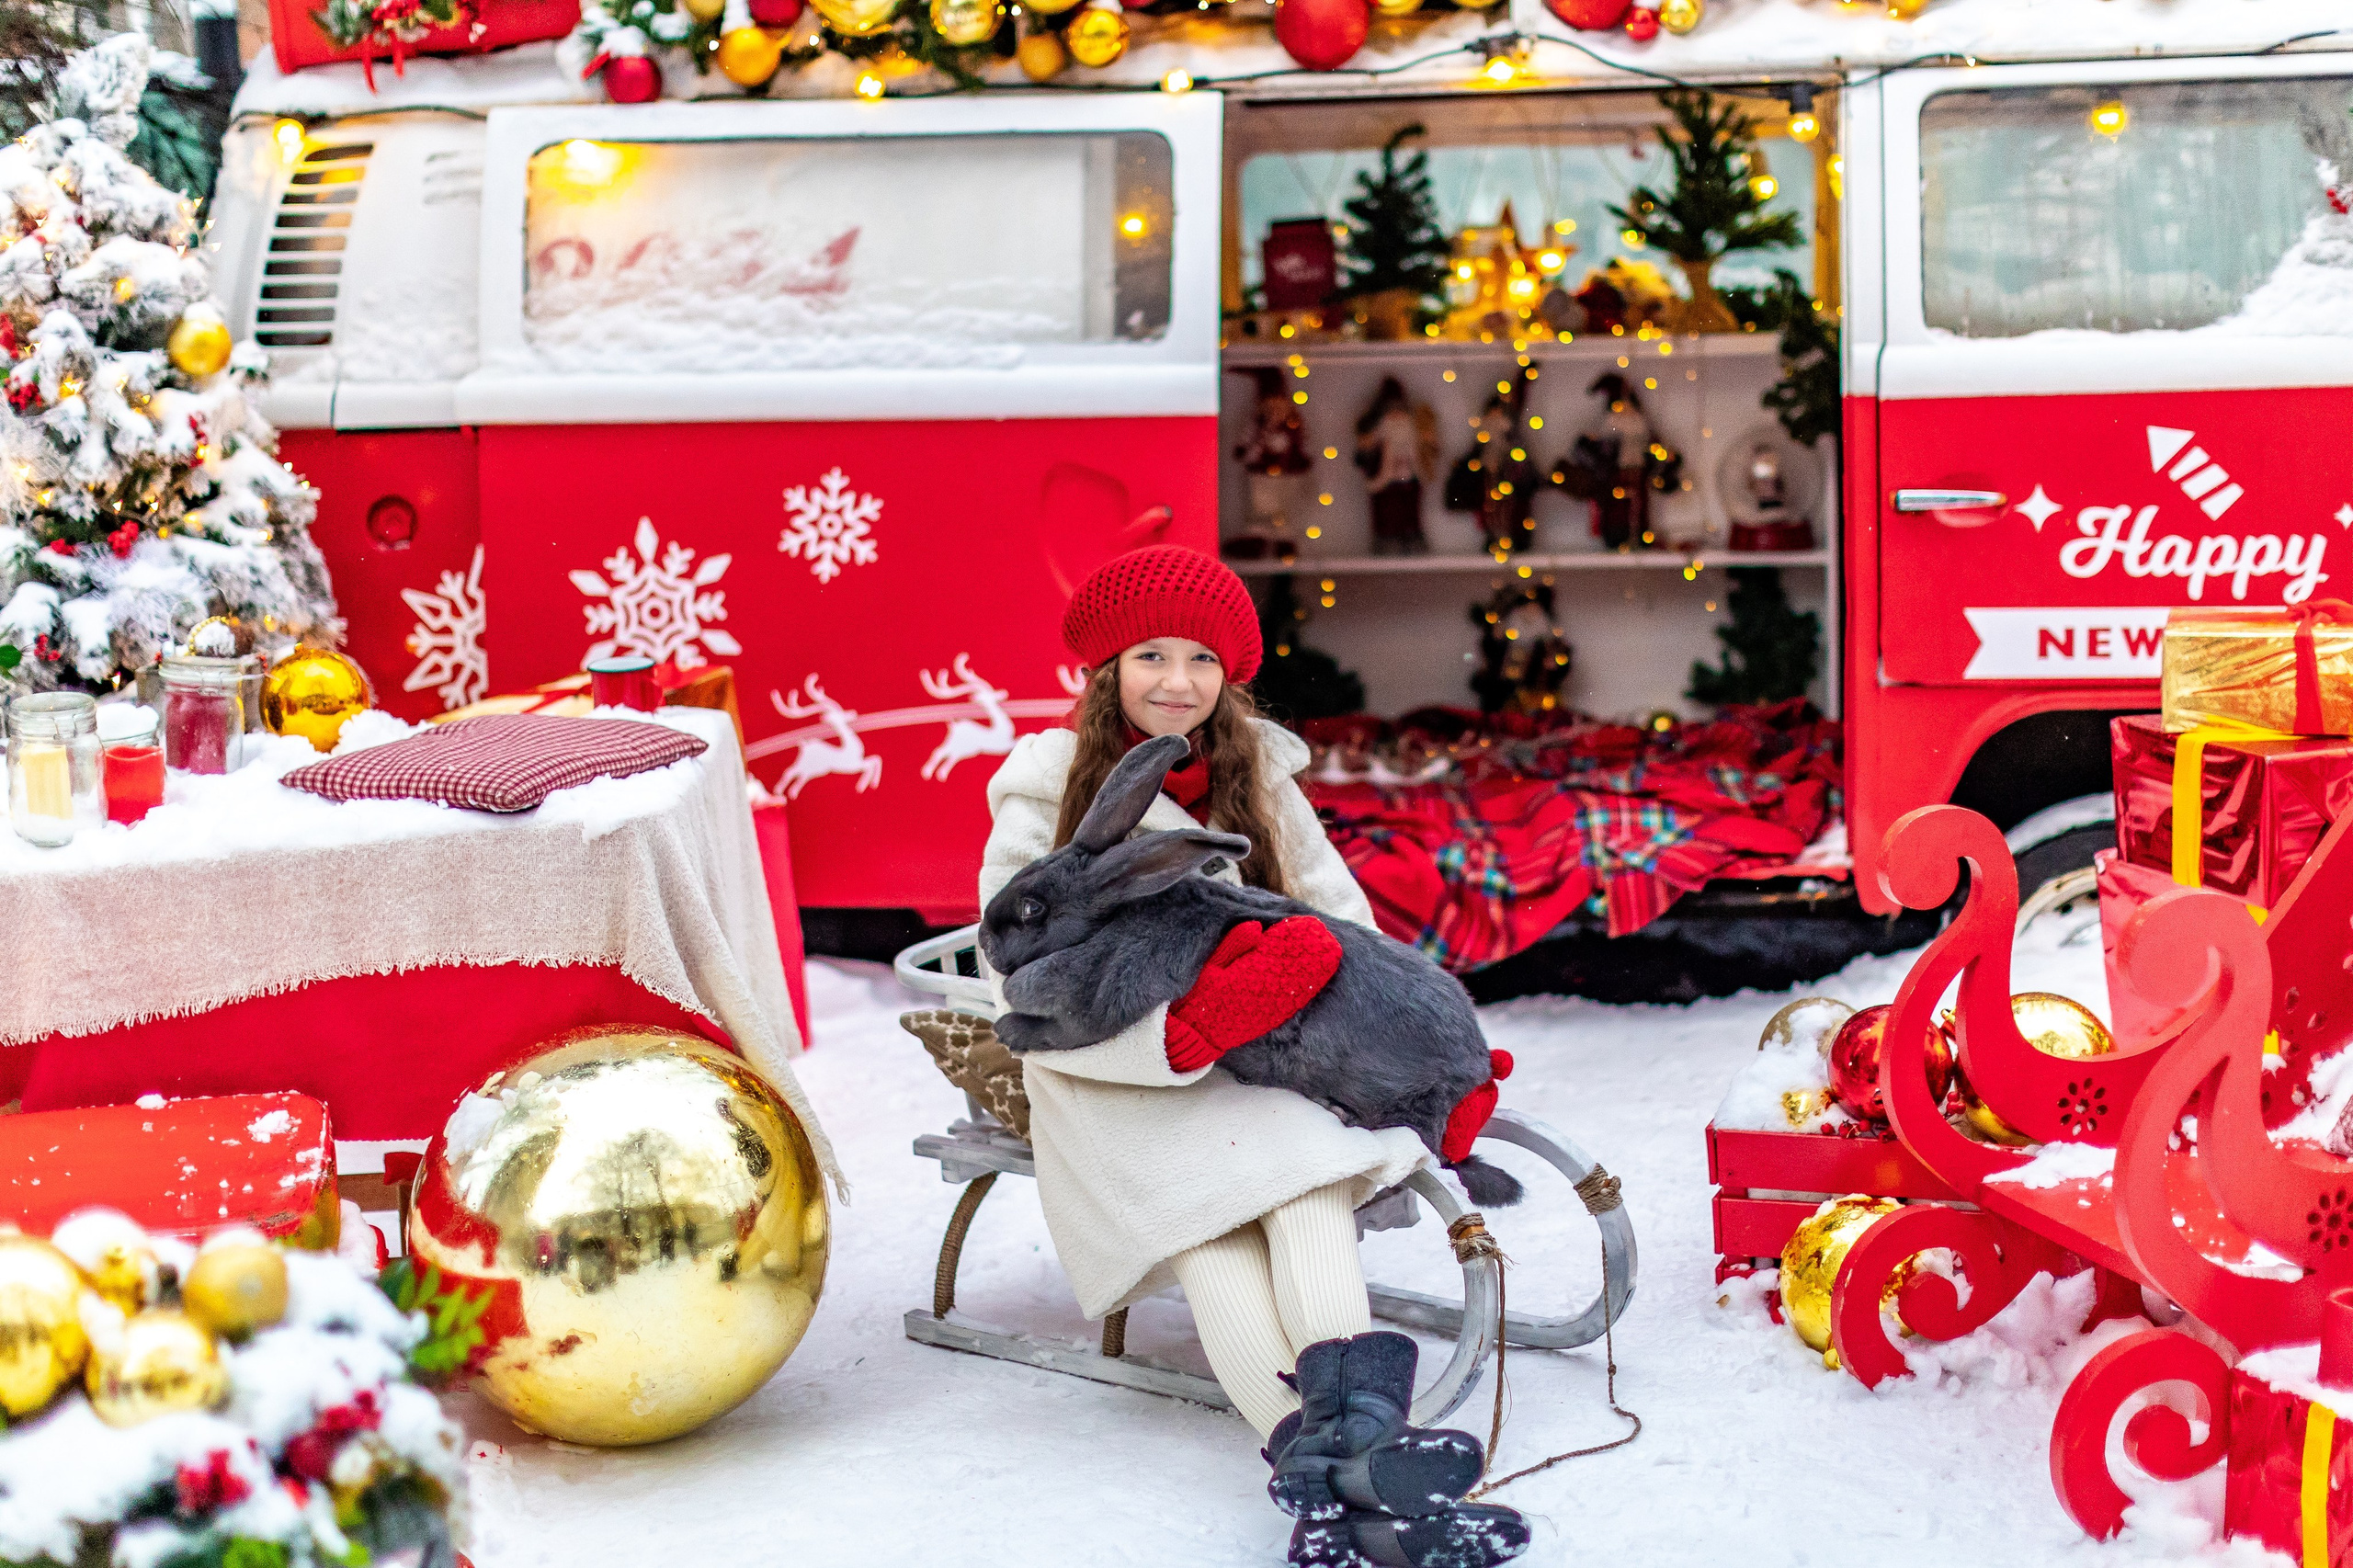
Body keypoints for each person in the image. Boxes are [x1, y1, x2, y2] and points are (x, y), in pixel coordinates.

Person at [980, 545, 1529, 1567]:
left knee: (1306, 1185)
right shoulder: (1044, 786)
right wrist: (1173, 1037)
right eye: (1149, 656)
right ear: (1106, 671)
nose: (1176, 682)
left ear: (1228, 672)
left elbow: (1337, 914)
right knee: (1210, 1229)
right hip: (1113, 1077)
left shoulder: (1260, 773)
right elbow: (1010, 966)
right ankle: (1373, 1485)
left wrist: (1368, 1027)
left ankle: (1340, 1483)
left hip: (1257, 1058)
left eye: (1199, 658)